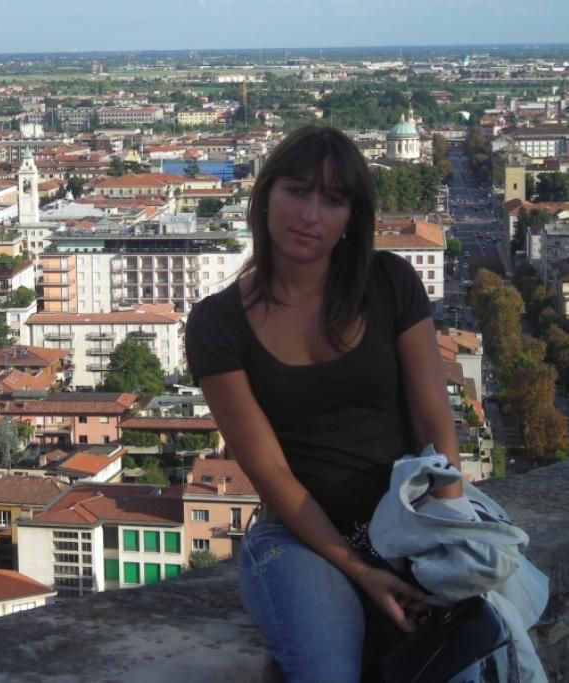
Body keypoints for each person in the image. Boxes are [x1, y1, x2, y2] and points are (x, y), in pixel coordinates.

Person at [184, 125, 462, 683]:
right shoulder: (218, 324)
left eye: (332, 199)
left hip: (409, 519)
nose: (309, 214)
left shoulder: (390, 282)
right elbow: (269, 472)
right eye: (296, 190)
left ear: (352, 217)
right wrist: (359, 569)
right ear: (265, 196)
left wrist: (450, 530)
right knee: (326, 670)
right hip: (298, 539)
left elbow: (434, 418)